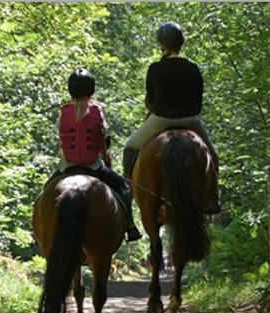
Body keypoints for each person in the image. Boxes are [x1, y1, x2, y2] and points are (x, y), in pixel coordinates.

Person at [123, 22, 220, 213]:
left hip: (160, 120)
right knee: (213, 155)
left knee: (130, 147)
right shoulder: (193, 68)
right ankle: (213, 198)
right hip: (190, 121)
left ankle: (130, 192)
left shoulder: (155, 69)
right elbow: (198, 102)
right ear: (181, 43)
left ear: (162, 44)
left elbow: (150, 101)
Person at [52, 68, 142, 242]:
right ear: (91, 91)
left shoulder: (63, 112)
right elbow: (102, 137)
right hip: (93, 166)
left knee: (44, 192)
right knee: (123, 188)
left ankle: (38, 234)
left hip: (67, 165)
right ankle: (130, 226)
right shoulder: (97, 111)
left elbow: (60, 135)